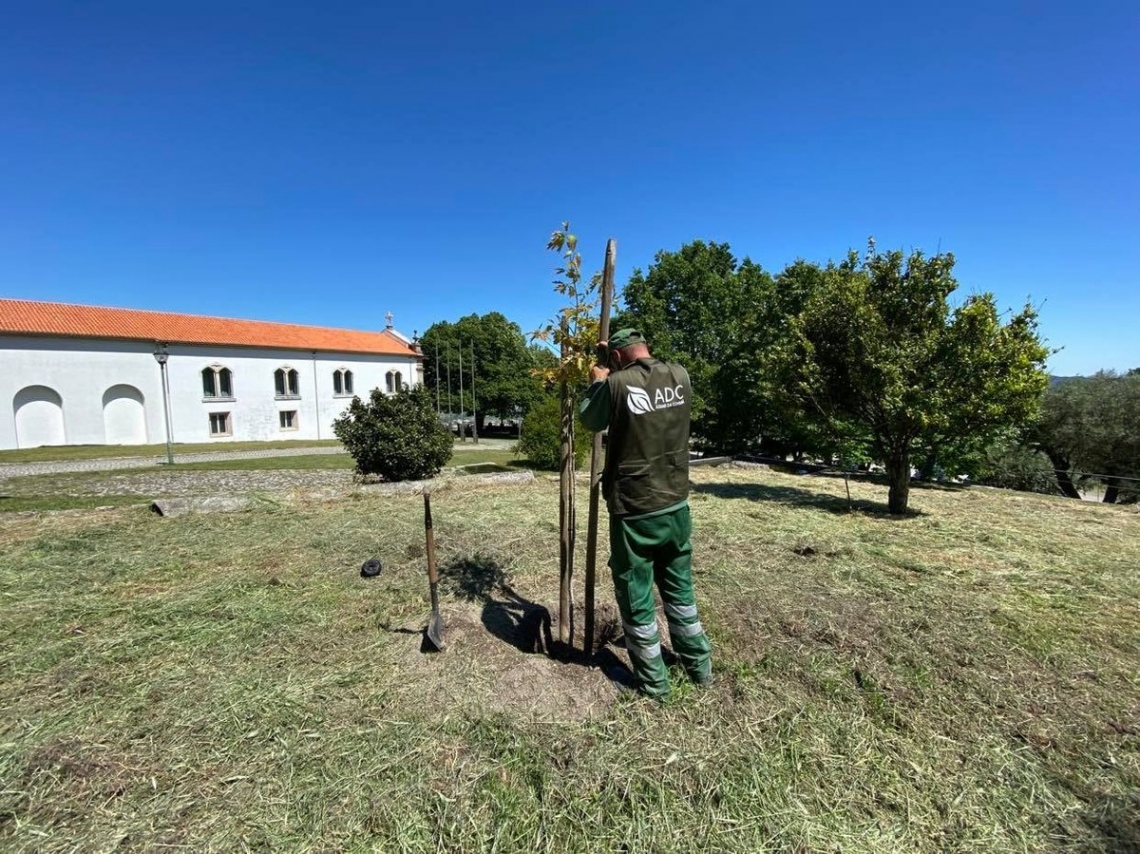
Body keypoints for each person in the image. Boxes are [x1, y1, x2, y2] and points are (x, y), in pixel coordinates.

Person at [580, 328, 713, 699]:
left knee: (636, 593)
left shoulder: (615, 385)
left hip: (635, 508)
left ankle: (655, 686)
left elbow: (590, 419)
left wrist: (597, 381)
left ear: (617, 358)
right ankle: (699, 667)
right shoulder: (680, 375)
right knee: (679, 588)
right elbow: (645, 382)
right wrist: (615, 362)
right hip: (675, 502)